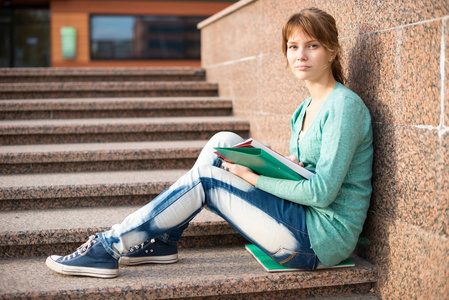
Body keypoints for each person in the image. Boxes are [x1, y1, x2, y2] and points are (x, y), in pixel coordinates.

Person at [46, 7, 373, 278]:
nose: (301, 54)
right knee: (225, 140)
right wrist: (287, 165)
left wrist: (254, 177)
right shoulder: (304, 109)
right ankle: (164, 241)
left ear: (331, 50)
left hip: (319, 241)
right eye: (293, 46)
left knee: (206, 180)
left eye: (312, 45)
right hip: (301, 218)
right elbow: (310, 172)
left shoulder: (343, 107)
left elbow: (322, 192)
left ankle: (109, 246)